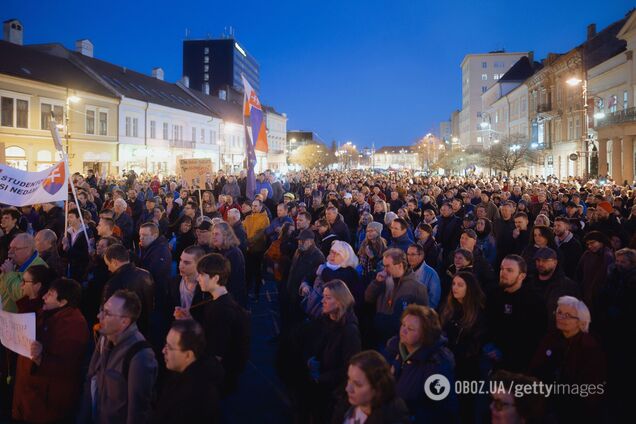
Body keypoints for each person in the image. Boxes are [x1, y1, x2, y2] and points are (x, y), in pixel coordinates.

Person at [13, 278, 89, 423]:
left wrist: (41, 356)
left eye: (50, 294)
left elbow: (67, 366)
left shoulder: (74, 325)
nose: (44, 297)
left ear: (63, 302)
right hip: (31, 395)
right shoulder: (47, 312)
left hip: (46, 403)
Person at [78, 290, 158, 424]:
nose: (99, 316)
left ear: (124, 322)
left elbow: (137, 411)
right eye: (102, 310)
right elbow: (90, 380)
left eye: (107, 313)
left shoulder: (140, 355)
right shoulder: (104, 339)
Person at [179, 253, 250, 394]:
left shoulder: (221, 310)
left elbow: (216, 353)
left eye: (201, 275)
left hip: (220, 378)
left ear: (215, 278)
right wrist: (189, 318)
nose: (198, 278)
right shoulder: (219, 300)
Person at [529, 296, 606, 422]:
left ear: (581, 321)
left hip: (575, 409)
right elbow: (534, 368)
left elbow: (591, 392)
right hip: (546, 400)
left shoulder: (589, 347)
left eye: (568, 315)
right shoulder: (551, 337)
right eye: (559, 313)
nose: (561, 317)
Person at [300, 280, 361, 423]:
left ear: (340, 301)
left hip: (333, 394)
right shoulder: (325, 321)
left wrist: (321, 378)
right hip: (318, 387)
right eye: (323, 296)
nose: (322, 301)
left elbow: (349, 368)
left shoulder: (349, 331)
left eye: (328, 297)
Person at [384, 305, 458, 422]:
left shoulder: (436, 365)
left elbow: (441, 412)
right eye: (403, 325)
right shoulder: (394, 351)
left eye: (411, 329)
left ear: (425, 334)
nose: (403, 331)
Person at [150, 319, 223, 424]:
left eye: (169, 347)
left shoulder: (193, 399)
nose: (163, 351)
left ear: (188, 355)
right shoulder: (181, 374)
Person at [485, 255, 546, 372]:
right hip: (490, 356)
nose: (503, 273)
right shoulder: (493, 294)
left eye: (509, 270)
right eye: (502, 269)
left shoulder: (534, 301)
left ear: (522, 276)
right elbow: (486, 323)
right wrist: (487, 345)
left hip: (518, 365)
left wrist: (506, 354)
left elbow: (534, 336)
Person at [441, 272, 487, 422]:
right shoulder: (448, 308)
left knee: (466, 407)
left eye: (460, 285)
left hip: (466, 368)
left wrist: (455, 353)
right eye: (454, 284)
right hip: (446, 365)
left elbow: (475, 344)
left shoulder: (477, 313)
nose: (455, 288)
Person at [365, 248, 428, 347]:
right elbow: (368, 298)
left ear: (399, 265)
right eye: (383, 266)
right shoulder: (383, 280)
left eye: (387, 266)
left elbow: (422, 317)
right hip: (379, 336)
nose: (384, 270)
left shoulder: (417, 288)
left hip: (400, 339)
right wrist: (377, 283)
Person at [331, 350, 410, 424]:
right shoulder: (344, 405)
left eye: (357, 384)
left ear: (378, 389)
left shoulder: (391, 417)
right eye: (349, 379)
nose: (348, 388)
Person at [103, 243, 155, 336]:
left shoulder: (114, 283)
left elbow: (108, 311)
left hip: (125, 331)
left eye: (108, 264)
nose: (108, 268)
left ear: (114, 262)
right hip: (145, 326)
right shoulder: (146, 274)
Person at [528, 247, 581, 327]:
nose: (540, 264)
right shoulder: (529, 283)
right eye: (538, 260)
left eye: (545, 260)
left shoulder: (568, 286)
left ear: (555, 262)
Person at [0, 233, 48, 312]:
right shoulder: (14, 263)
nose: (9, 252)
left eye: (15, 249)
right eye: (10, 247)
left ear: (28, 250)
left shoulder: (39, 267)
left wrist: (9, 274)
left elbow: (21, 296)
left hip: (20, 320)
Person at [210, 221, 247, 307]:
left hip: (232, 298)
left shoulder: (234, 253)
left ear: (226, 235)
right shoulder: (218, 250)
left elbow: (231, 280)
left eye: (217, 234)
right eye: (213, 234)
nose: (213, 237)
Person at [576, 231, 614, 315]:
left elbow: (604, 278)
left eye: (592, 243)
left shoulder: (607, 256)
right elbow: (579, 271)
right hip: (585, 292)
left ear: (601, 242)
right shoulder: (587, 254)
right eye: (588, 244)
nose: (590, 246)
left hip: (599, 297)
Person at [244, 198, 270, 300]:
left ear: (260, 207)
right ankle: (247, 291)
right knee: (248, 272)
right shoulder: (248, 217)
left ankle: (256, 293)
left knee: (257, 272)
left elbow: (261, 234)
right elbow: (243, 228)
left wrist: (248, 242)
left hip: (258, 250)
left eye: (256, 206)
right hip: (248, 249)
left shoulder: (264, 219)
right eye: (253, 205)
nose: (253, 207)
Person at [407, 243, 441, 309]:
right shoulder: (407, 272)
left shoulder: (432, 274)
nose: (409, 257)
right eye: (408, 254)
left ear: (421, 256)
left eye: (413, 254)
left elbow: (434, 301)